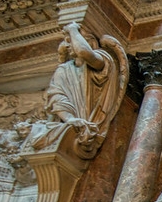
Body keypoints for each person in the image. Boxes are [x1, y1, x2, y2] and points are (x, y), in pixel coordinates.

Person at [29, 22, 127, 159]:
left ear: (89, 42)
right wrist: (69, 119)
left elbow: (84, 52)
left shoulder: (103, 59)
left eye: (72, 41)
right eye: (67, 41)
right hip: (72, 121)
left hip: (91, 124)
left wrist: (72, 28)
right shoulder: (63, 70)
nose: (68, 45)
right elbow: (56, 97)